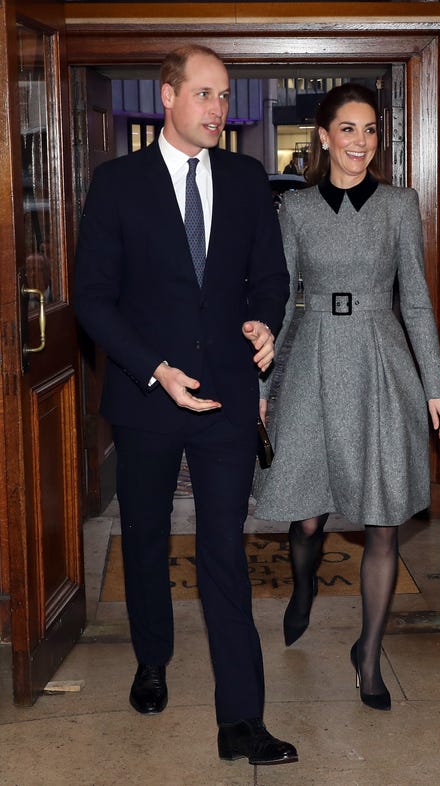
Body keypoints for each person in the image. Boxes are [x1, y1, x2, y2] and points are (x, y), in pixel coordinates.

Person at [74, 45, 297, 766]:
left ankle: (242, 721)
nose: (217, 109)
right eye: (204, 94)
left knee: (223, 549)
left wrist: (264, 321)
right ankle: (152, 659)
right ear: (167, 96)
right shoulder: (117, 183)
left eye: (225, 96)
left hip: (228, 396)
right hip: (147, 398)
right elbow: (94, 300)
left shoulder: (242, 177)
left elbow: (270, 277)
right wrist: (154, 370)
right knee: (143, 537)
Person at [254, 83, 440, 712]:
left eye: (370, 131)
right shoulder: (298, 210)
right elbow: (282, 303)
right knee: (308, 516)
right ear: (323, 136)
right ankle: (305, 586)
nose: (359, 143)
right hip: (312, 357)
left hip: (379, 362)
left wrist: (436, 386)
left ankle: (368, 656)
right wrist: (263, 386)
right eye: (348, 129)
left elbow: (417, 302)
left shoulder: (400, 205)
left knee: (382, 521)